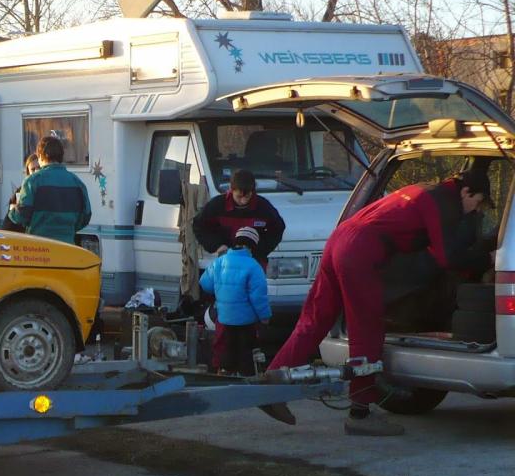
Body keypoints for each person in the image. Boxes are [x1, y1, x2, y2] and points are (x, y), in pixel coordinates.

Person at [261, 168, 493, 437]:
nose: (475, 210)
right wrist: (485, 259)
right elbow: (446, 257)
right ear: (466, 191)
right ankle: (360, 413)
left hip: (339, 239)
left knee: (315, 319)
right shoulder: (444, 202)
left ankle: (272, 385)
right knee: (367, 329)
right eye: (477, 203)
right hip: (361, 250)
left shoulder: (423, 189)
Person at [199, 227, 271, 375]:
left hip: (224, 318)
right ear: (251, 247)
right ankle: (246, 378)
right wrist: (265, 316)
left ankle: (225, 373)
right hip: (246, 321)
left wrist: (221, 292)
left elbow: (205, 283)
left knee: (227, 349)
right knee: (246, 354)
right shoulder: (253, 266)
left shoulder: (220, 262)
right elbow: (259, 297)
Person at [192, 169, 285, 269]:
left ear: (253, 191)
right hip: (226, 263)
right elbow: (199, 226)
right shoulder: (217, 205)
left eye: (247, 196)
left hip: (255, 263)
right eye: (239, 197)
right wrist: (216, 245)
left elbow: (278, 228)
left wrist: (260, 249)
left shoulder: (263, 207)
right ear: (231, 190)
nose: (243, 201)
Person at [6, 135, 91, 245]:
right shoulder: (78, 183)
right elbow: (86, 216)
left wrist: (12, 211)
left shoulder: (32, 181)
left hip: (38, 247)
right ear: (61, 156)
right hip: (67, 246)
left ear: (40, 156)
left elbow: (21, 216)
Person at [3, 153, 43, 232]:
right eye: (33, 169)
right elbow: (9, 222)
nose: (36, 171)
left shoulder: (50, 188)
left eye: (39, 168)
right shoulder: (20, 191)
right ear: (28, 172)